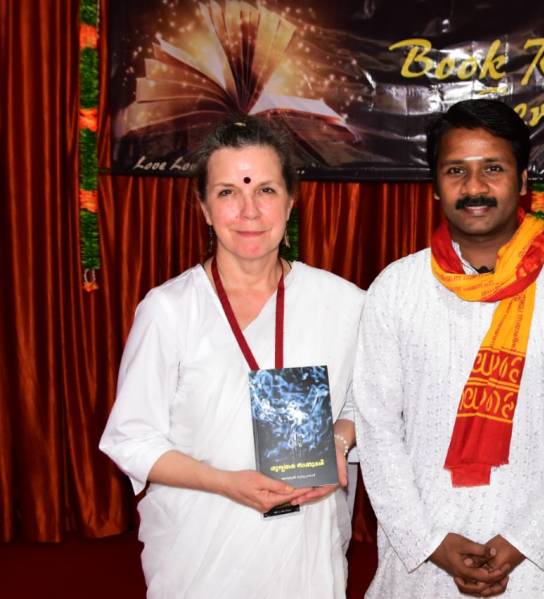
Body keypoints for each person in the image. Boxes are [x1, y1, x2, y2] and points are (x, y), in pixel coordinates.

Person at [353, 99, 544, 598]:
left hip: (537, 566)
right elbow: (377, 426)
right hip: (421, 563)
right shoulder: (397, 287)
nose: (474, 187)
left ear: (523, 179)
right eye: (456, 171)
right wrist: (427, 541)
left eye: (493, 168)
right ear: (435, 185)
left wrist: (525, 539)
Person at [99, 116, 363, 598]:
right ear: (203, 207)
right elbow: (131, 438)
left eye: (265, 190)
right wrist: (225, 482)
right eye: (227, 192)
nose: (249, 210)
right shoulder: (169, 310)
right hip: (201, 546)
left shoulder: (343, 303)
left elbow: (364, 402)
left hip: (304, 545)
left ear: (291, 201)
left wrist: (339, 443)